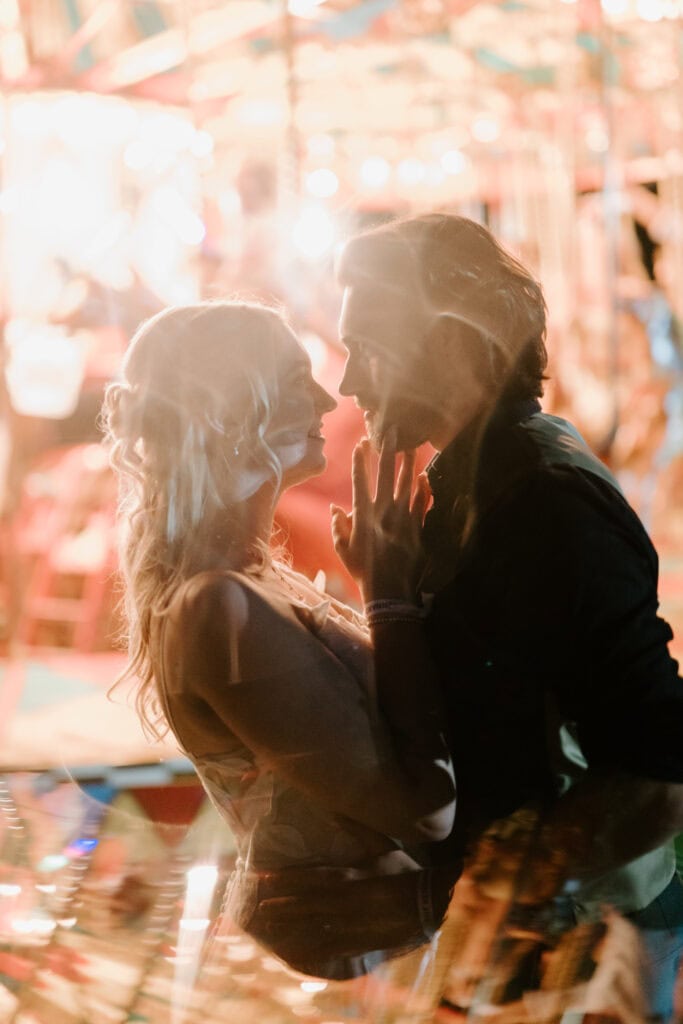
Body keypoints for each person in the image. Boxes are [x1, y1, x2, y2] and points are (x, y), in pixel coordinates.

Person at [332, 212, 683, 1019]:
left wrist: (523, 891)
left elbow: (658, 764)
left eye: (368, 346)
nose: (349, 382)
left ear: (453, 346)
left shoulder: (542, 499)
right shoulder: (478, 480)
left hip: (587, 949)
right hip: (531, 944)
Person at [101, 300, 457, 980]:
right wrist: (388, 599)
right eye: (297, 380)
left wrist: (388, 586)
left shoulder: (252, 580)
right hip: (352, 961)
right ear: (230, 411)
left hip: (376, 938)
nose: (326, 399)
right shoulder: (217, 606)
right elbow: (425, 811)